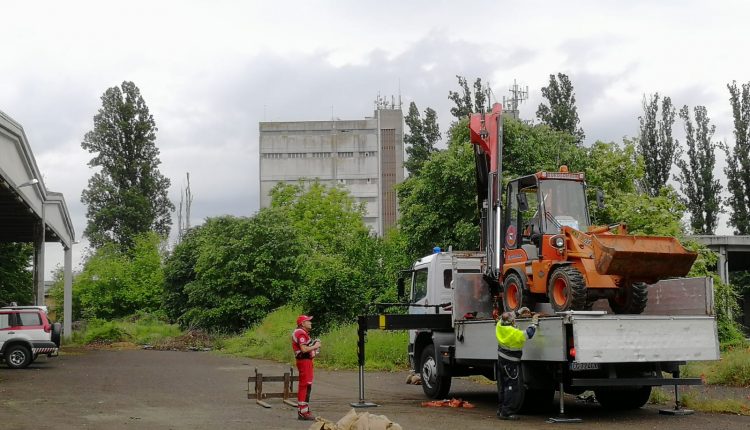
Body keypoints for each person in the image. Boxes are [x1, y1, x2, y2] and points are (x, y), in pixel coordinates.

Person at [495, 310, 539, 420]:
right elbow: (529, 333)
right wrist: (534, 323)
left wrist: (519, 311)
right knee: (512, 387)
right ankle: (507, 412)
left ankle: (501, 409)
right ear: (511, 322)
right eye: (513, 319)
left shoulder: (500, 325)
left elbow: (504, 317)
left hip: (502, 360)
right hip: (511, 363)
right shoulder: (513, 333)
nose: (515, 320)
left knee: (503, 386)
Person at [291, 315, 322, 421]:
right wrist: (316, 346)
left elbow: (308, 349)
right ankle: (303, 412)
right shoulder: (300, 333)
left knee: (306, 385)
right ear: (302, 323)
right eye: (308, 321)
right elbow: (304, 349)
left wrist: (314, 348)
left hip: (306, 361)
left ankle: (304, 410)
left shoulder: (303, 333)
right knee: (305, 385)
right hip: (304, 361)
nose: (310, 322)